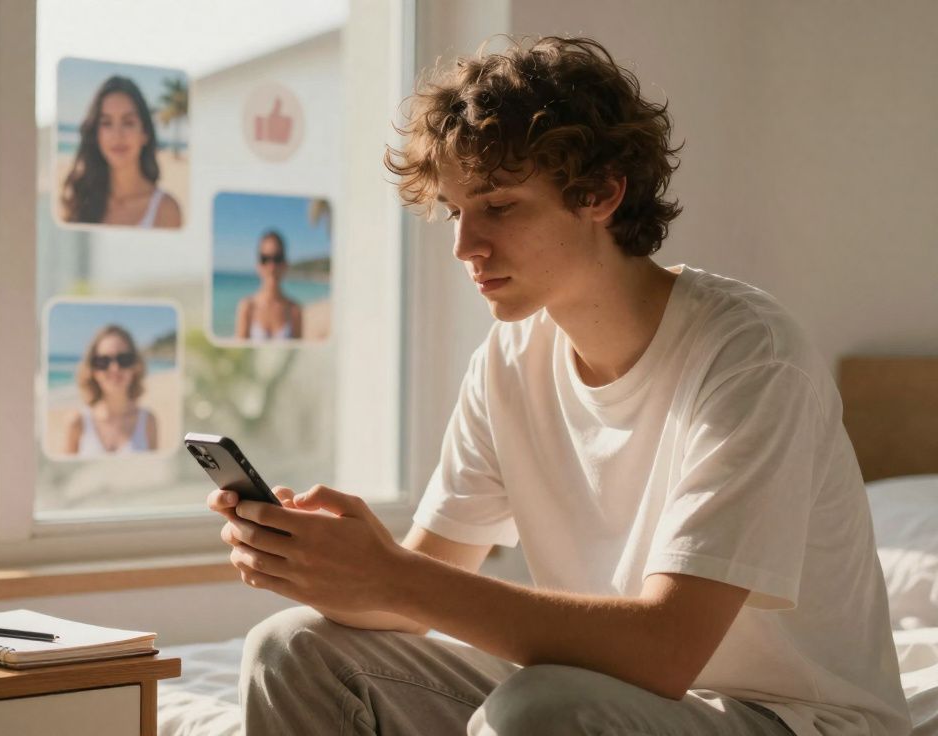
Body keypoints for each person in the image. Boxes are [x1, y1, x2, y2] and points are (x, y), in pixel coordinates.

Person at [209, 36, 910, 736]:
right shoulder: (509, 360)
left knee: (539, 708)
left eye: (498, 206)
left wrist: (393, 576)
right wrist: (319, 561)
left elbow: (666, 649)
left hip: (790, 720)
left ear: (601, 193)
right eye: (456, 211)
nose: (465, 246)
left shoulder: (751, 356)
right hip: (605, 697)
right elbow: (411, 593)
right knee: (290, 649)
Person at [59, 75, 182, 229]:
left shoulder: (166, 210)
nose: (117, 135)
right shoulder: (78, 201)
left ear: (145, 133)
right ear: (96, 134)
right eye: (107, 123)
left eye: (128, 123)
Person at [61, 325, 159, 456]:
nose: (114, 368)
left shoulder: (148, 421)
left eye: (123, 359)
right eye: (103, 361)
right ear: (92, 370)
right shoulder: (76, 423)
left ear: (135, 366)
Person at [233, 229, 304, 341]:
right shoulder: (247, 307)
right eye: (265, 259)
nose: (272, 267)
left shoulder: (295, 311)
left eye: (277, 259)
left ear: (285, 264)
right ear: (258, 265)